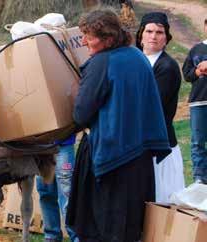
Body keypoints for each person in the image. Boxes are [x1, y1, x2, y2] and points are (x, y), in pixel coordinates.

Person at [66, 9, 171, 242]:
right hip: (139, 160)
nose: (84, 41)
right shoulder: (137, 56)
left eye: (89, 37)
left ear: (109, 38)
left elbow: (81, 113)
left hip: (110, 160)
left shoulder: (102, 62)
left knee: (99, 228)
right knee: (129, 229)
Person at [136, 12, 185, 202]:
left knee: (161, 200)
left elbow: (151, 105)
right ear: (141, 35)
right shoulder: (137, 60)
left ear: (166, 39)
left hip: (159, 146)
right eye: (149, 31)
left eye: (159, 32)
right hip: (140, 144)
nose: (153, 36)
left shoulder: (167, 67)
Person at [36, 135, 79, 242]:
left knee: (67, 197)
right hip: (40, 146)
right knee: (45, 193)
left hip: (63, 144)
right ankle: (52, 237)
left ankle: (76, 237)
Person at [182, 19, 207, 184]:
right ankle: (200, 178)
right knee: (198, 141)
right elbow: (187, 74)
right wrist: (198, 70)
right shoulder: (196, 50)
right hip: (199, 101)